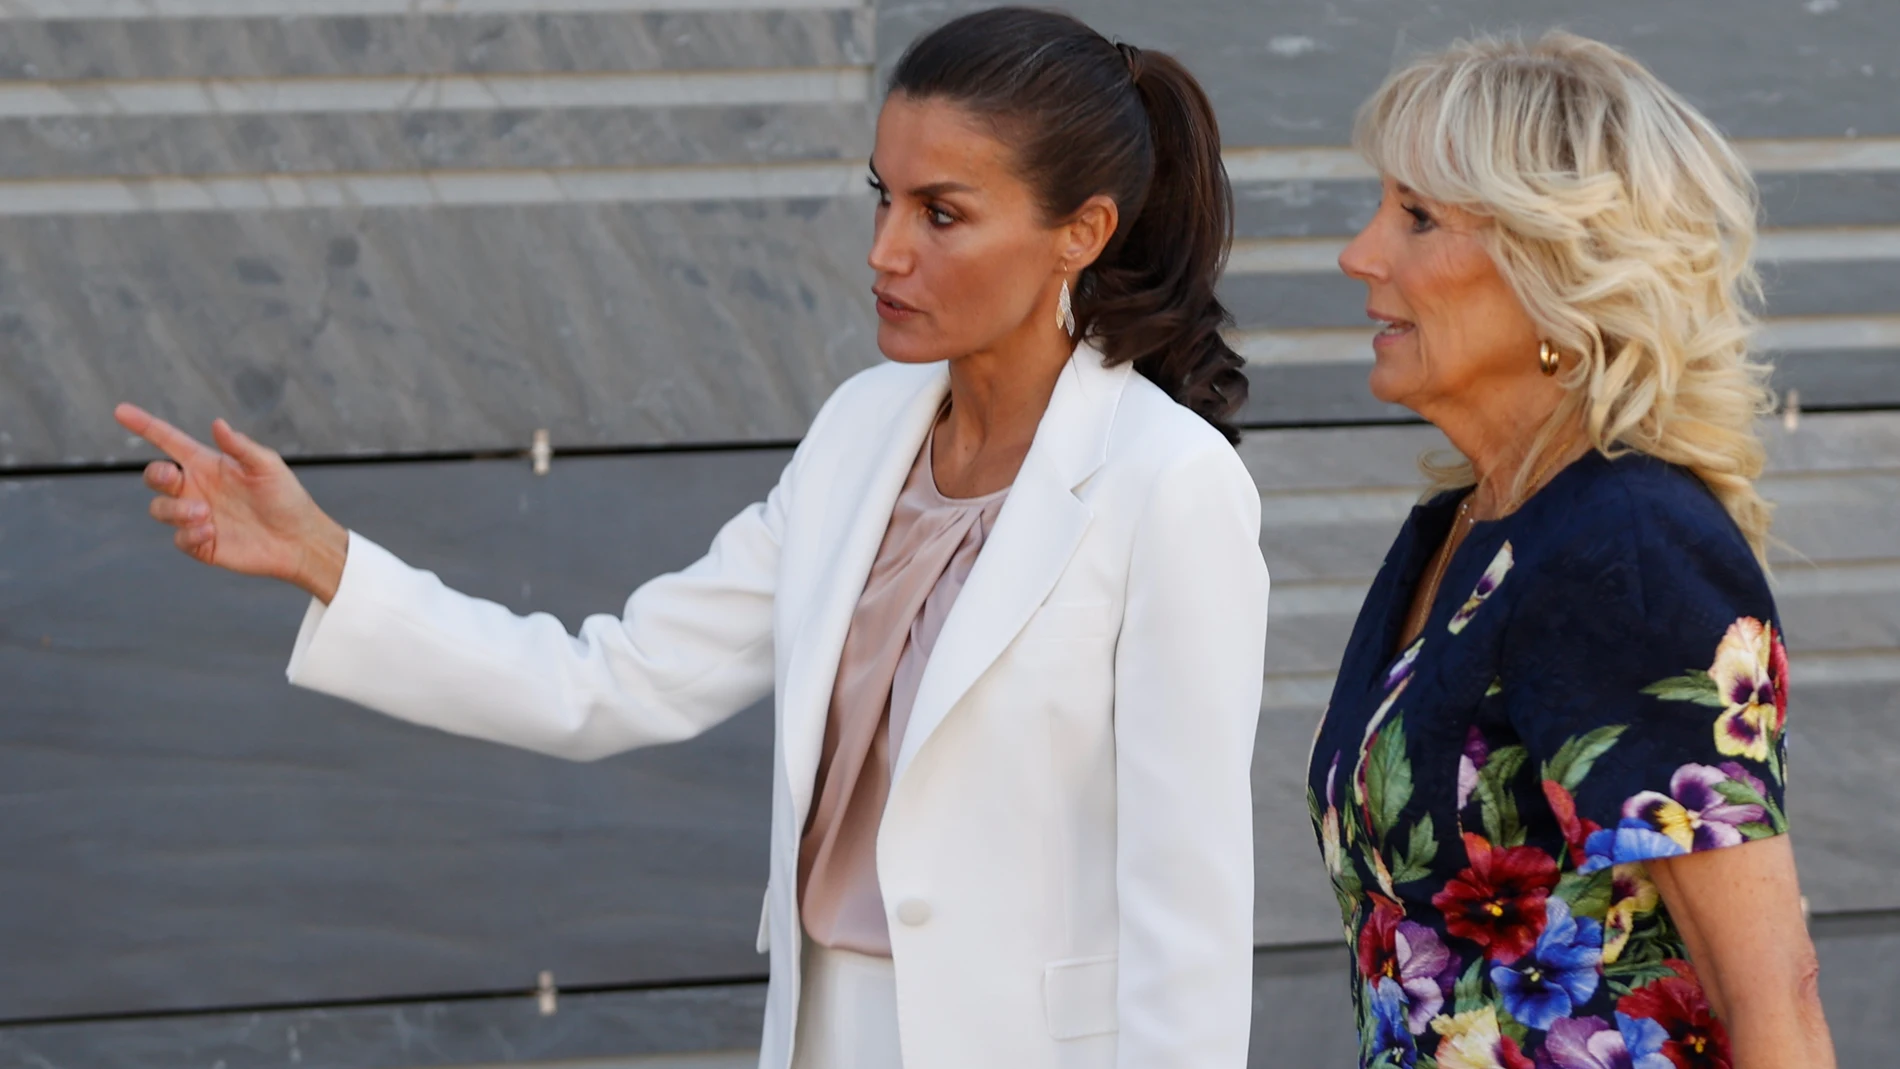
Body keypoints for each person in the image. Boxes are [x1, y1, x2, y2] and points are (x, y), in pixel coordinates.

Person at [117, 8, 1270, 1069]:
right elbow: (610, 681)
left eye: (942, 213)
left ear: (1081, 232)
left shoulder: (1166, 485)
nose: (884, 249)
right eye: (883, 196)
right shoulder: (858, 434)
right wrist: (324, 556)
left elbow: (1188, 915)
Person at [1307, 32, 1836, 1069]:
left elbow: (1772, 987)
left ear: (1551, 262)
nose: (1358, 253)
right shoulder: (1464, 528)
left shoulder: (1628, 542)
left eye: (1415, 216)